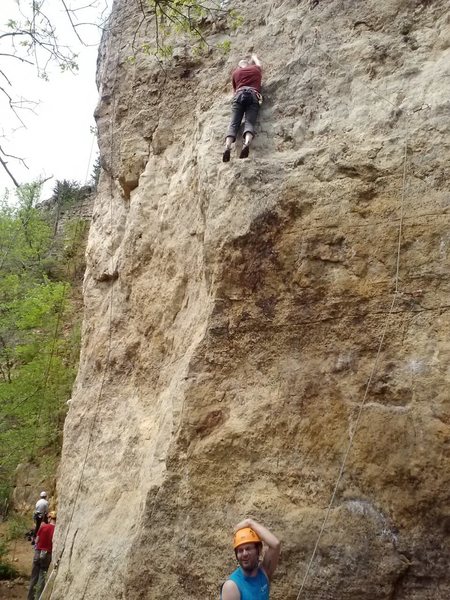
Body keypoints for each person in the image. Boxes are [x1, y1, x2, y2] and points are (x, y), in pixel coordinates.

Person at [221, 518, 281, 599]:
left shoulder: (264, 573)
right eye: (240, 550)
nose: (244, 554)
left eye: (248, 548)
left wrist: (250, 523)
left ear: (258, 550)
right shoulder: (232, 586)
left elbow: (276, 544)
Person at [223, 53, 263, 162]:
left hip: (239, 95)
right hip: (253, 95)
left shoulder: (236, 73)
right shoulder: (255, 69)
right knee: (249, 122)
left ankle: (227, 147)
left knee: (234, 123)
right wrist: (254, 58)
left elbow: (234, 91)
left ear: (239, 66)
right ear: (249, 65)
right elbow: (260, 65)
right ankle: (246, 144)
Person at [27, 510, 56, 600]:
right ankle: (38, 598)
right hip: (47, 555)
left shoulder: (43, 527)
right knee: (42, 578)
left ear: (49, 518)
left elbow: (36, 541)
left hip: (38, 552)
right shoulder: (57, 529)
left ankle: (30, 597)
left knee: (33, 577)